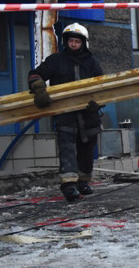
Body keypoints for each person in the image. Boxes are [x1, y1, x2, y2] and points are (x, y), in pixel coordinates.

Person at [28, 23, 105, 203]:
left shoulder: (92, 62)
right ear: (66, 42)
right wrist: (39, 88)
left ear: (83, 43)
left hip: (89, 115)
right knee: (67, 150)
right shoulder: (56, 60)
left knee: (87, 151)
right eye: (70, 41)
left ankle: (83, 182)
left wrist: (99, 102)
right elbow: (35, 74)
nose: (73, 44)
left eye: (77, 41)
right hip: (66, 115)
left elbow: (103, 87)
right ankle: (69, 185)